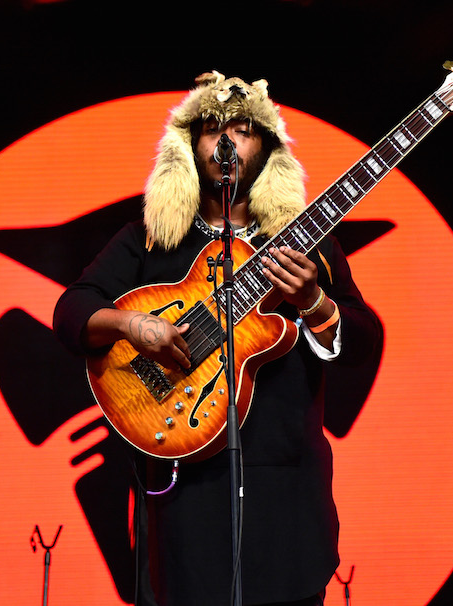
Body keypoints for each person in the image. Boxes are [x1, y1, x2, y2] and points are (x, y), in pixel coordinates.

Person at [54, 71, 383, 606]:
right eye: (211, 128)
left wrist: (313, 303)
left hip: (287, 493)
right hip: (186, 491)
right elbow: (72, 311)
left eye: (243, 129)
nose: (226, 140)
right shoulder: (153, 236)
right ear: (188, 146)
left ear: (268, 148)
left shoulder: (308, 240)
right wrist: (133, 325)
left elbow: (364, 342)